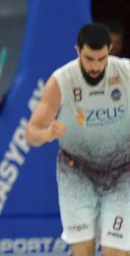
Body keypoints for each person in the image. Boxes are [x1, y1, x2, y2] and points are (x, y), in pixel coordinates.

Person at [25, 23, 130, 256]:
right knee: (82, 250)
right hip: (76, 173)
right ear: (78, 50)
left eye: (101, 59)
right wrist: (46, 134)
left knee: (115, 251)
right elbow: (31, 132)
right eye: (89, 59)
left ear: (110, 50)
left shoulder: (126, 73)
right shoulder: (61, 81)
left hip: (123, 172)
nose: (95, 66)